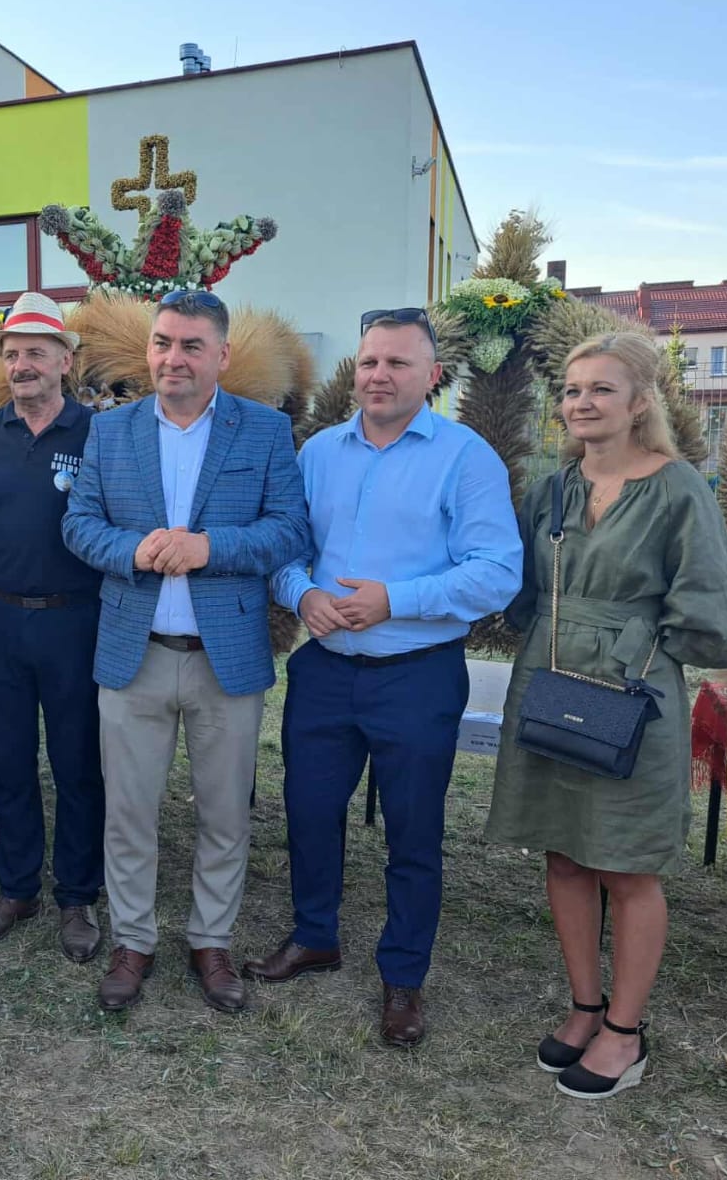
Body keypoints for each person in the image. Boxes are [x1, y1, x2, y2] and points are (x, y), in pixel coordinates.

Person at [486, 332, 727, 1098]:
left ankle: (626, 1032)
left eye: (601, 389)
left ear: (640, 402)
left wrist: (634, 644)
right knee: (565, 854)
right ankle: (585, 1006)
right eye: (573, 390)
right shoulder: (552, 490)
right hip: (549, 676)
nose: (582, 403)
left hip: (634, 692)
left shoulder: (677, 488)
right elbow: (518, 589)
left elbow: (706, 604)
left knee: (627, 864)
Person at [260, 307, 521, 1047]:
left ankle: (403, 974)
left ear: (431, 376)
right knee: (309, 809)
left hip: (417, 674)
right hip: (325, 670)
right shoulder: (319, 453)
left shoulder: (465, 458)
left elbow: (497, 573)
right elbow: (286, 549)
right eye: (371, 361)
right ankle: (314, 934)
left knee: (413, 829)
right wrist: (301, 595)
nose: (379, 375)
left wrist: (394, 600)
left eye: (398, 363)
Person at [62, 289, 308, 1014]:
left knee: (225, 814)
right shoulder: (111, 432)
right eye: (163, 342)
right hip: (132, 653)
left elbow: (289, 528)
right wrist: (134, 550)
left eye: (192, 345)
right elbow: (79, 524)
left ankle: (211, 940)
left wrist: (209, 548)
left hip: (224, 657)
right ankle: (133, 941)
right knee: (128, 812)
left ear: (222, 356)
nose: (174, 358)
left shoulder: (264, 431)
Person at [0, 294, 105, 961]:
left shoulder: (99, 435)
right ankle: (16, 888)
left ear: (65, 362)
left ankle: (76, 895)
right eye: (12, 354)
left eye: (36, 354)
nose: (21, 365)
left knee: (78, 765)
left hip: (75, 621)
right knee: (10, 762)